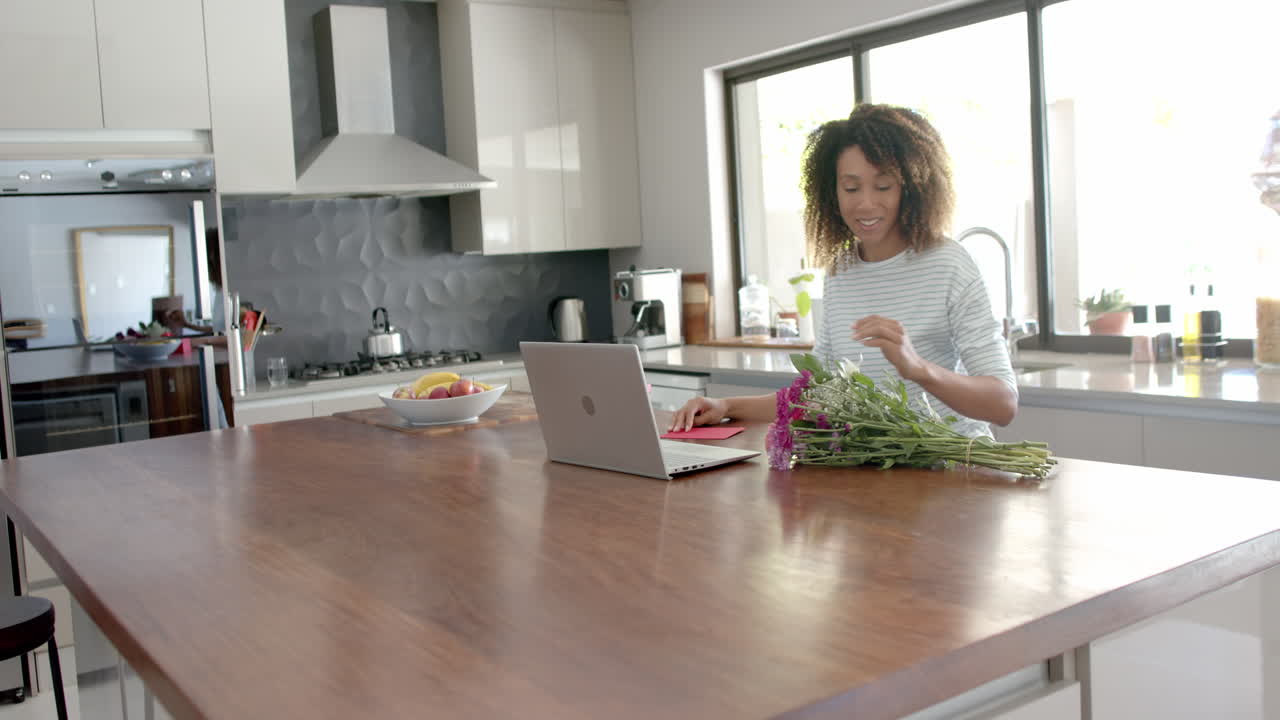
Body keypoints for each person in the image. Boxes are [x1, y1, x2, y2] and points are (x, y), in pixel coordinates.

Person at [669, 103, 1017, 438]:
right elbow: (820, 394)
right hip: (882, 472)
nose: (865, 203)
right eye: (851, 188)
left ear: (912, 189)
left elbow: (1003, 404)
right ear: (831, 192)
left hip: (956, 465)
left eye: (883, 186)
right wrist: (727, 404)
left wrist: (917, 368)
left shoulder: (949, 264)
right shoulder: (841, 271)